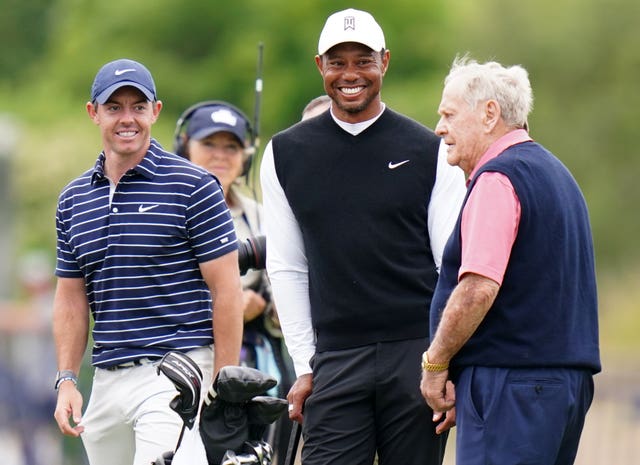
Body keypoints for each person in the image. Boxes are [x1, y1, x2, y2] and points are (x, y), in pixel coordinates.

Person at [260, 8, 467, 465]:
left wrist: (445, 361)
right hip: (335, 357)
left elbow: (449, 266)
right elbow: (288, 268)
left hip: (416, 355)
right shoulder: (284, 154)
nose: (350, 74)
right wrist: (306, 364)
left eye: (363, 60)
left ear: (385, 62)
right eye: (338, 62)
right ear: (320, 66)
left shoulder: (428, 150)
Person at [52, 59, 244, 465]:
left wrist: (225, 387)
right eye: (114, 107)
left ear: (155, 111)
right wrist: (67, 379)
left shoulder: (194, 185)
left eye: (138, 107)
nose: (128, 119)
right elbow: (70, 298)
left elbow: (226, 290)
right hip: (106, 379)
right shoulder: (72, 200)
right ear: (93, 113)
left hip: (177, 371)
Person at [420, 56, 601, 465]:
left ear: (489, 114)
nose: (439, 128)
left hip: (512, 385)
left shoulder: (498, 178)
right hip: (562, 386)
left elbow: (478, 287)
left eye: (448, 114)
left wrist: (437, 362)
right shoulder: (559, 175)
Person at [174, 100, 295, 465]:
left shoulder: (262, 216)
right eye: (209, 144)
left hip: (256, 357)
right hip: (184, 357)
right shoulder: (167, 206)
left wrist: (263, 307)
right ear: (185, 147)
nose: (220, 156)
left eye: (231, 147)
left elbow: (289, 286)